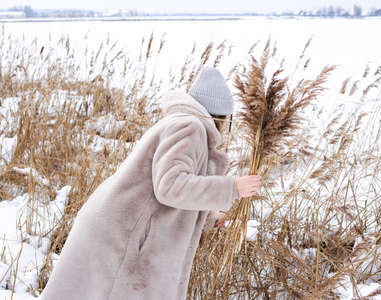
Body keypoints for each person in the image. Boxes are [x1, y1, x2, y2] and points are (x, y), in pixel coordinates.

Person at [40, 67, 261, 300]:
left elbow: (173, 187)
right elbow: (170, 186)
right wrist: (232, 188)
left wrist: (210, 217)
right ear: (220, 117)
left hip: (117, 229)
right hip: (124, 238)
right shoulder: (189, 127)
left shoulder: (181, 124)